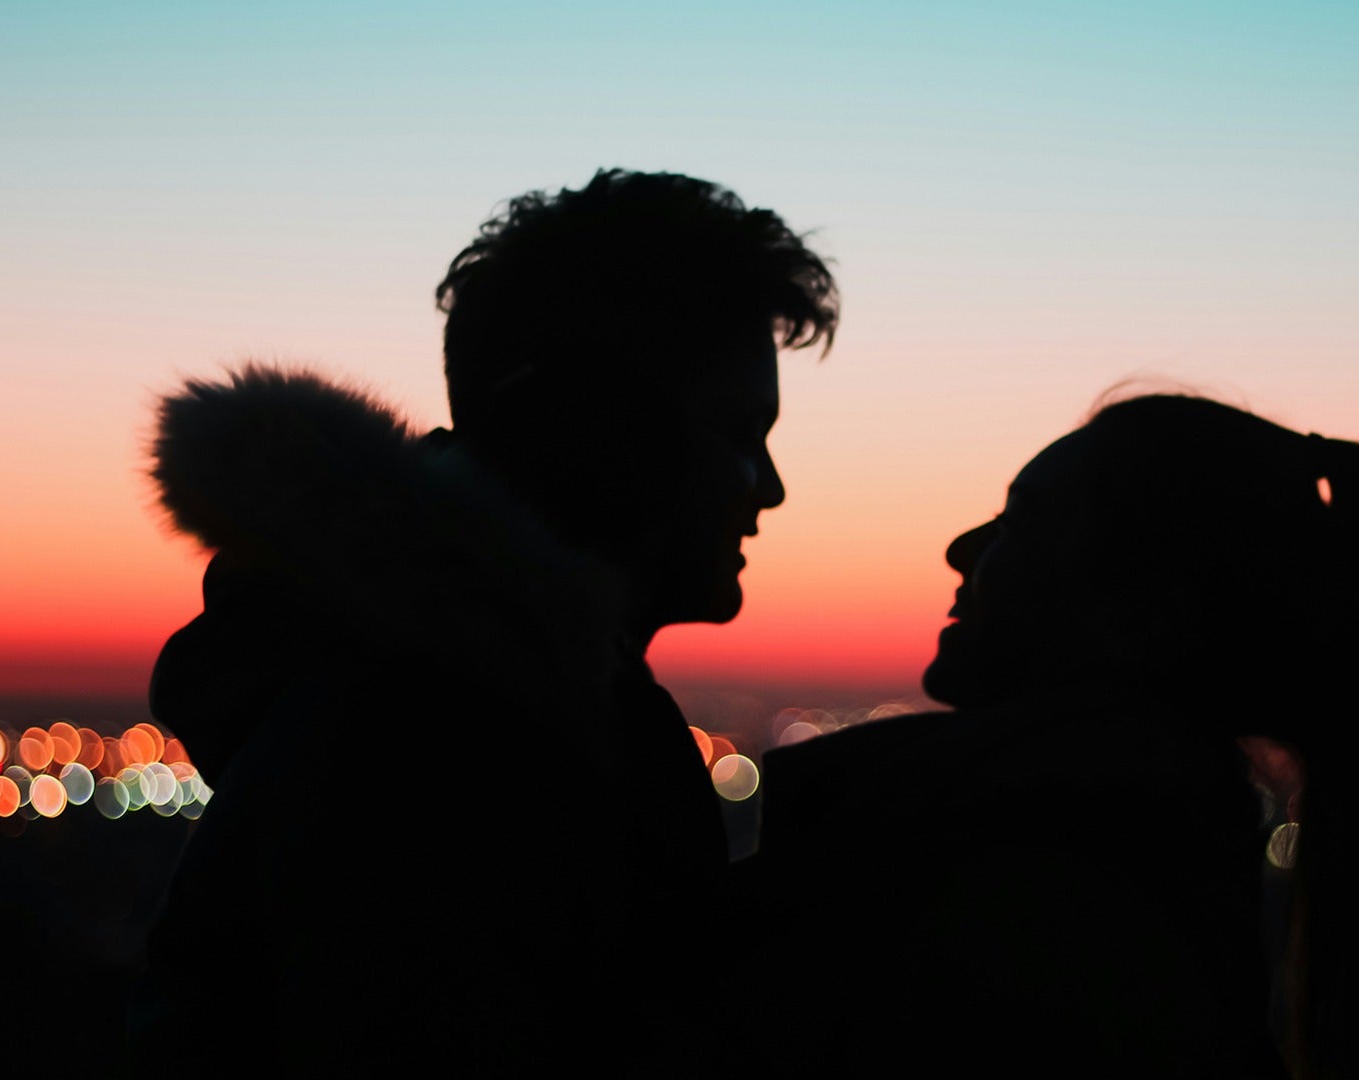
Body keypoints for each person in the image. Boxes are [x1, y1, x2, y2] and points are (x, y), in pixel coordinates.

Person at [129, 169, 838, 1073]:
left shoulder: (453, 707)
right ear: (603, 434)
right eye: (742, 434)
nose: (770, 489)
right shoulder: (452, 756)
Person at [745, 393, 1359, 1078]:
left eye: (1019, 522)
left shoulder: (1033, 911)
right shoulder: (1116, 876)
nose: (962, 549)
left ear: (1147, 607)